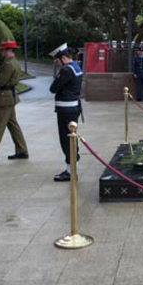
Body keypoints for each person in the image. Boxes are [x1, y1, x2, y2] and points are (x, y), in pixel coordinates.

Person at [49, 43, 83, 182]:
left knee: (66, 139)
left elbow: (53, 88)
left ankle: (70, 172)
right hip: (72, 108)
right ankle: (72, 167)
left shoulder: (67, 71)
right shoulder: (76, 67)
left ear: (63, 58)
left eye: (57, 61)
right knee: (71, 138)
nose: (57, 64)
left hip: (66, 110)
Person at [0, 40, 28, 160]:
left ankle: (22, 150)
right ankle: (22, 150)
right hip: (10, 96)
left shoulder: (8, 64)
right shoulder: (14, 62)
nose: (2, 52)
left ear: (8, 50)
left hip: (4, 97)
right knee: (13, 124)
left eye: (3, 50)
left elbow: (0, 81)